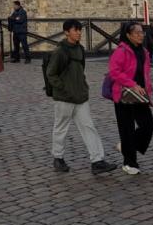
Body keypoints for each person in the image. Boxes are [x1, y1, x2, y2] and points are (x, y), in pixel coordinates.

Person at [46, 19, 117, 174]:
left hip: (80, 97)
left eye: (79, 30)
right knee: (61, 128)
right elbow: (51, 74)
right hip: (64, 98)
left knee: (88, 127)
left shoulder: (80, 49)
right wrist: (64, 88)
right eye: (74, 30)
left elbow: (80, 70)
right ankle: (58, 158)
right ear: (66, 32)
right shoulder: (60, 52)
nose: (78, 32)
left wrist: (83, 87)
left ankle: (97, 160)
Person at [109, 21, 153, 175]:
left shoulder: (143, 51)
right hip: (124, 94)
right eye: (137, 33)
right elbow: (114, 71)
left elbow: (145, 74)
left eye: (142, 32)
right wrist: (131, 84)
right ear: (128, 35)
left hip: (140, 95)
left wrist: (147, 90)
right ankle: (129, 162)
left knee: (148, 125)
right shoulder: (121, 51)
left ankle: (127, 146)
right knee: (126, 128)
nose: (141, 35)